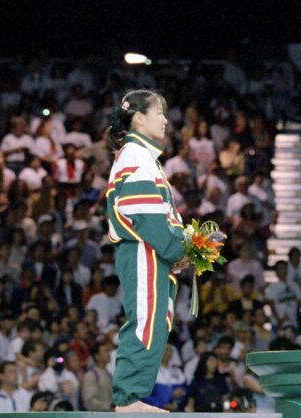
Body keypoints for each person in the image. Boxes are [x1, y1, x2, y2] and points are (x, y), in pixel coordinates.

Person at [105, 89, 189, 413]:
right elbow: (148, 217)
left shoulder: (141, 156)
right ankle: (128, 400)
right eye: (159, 113)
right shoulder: (135, 156)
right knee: (145, 321)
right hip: (144, 250)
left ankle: (133, 397)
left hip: (150, 251)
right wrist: (177, 249)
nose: (166, 120)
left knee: (154, 321)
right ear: (139, 118)